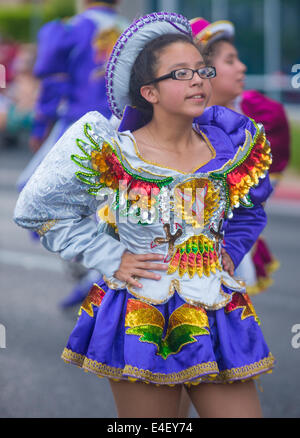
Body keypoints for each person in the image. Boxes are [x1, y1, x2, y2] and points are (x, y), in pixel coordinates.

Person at [14, 12, 275, 418]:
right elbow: (38, 208)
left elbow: (249, 207)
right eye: (180, 73)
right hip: (144, 311)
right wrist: (110, 256)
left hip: (219, 304)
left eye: (201, 70)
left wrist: (232, 249)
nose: (197, 80)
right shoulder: (114, 150)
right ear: (149, 92)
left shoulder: (229, 144)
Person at [16, 0, 128, 307]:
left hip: (80, 126)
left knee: (34, 193)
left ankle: (94, 271)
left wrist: (41, 125)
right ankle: (99, 271)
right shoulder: (131, 29)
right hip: (123, 126)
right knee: (108, 202)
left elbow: (53, 79)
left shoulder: (73, 29)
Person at [190, 17, 290, 296]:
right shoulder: (169, 129)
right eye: (230, 60)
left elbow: (252, 207)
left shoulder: (243, 130)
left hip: (227, 257)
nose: (242, 67)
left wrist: (232, 248)